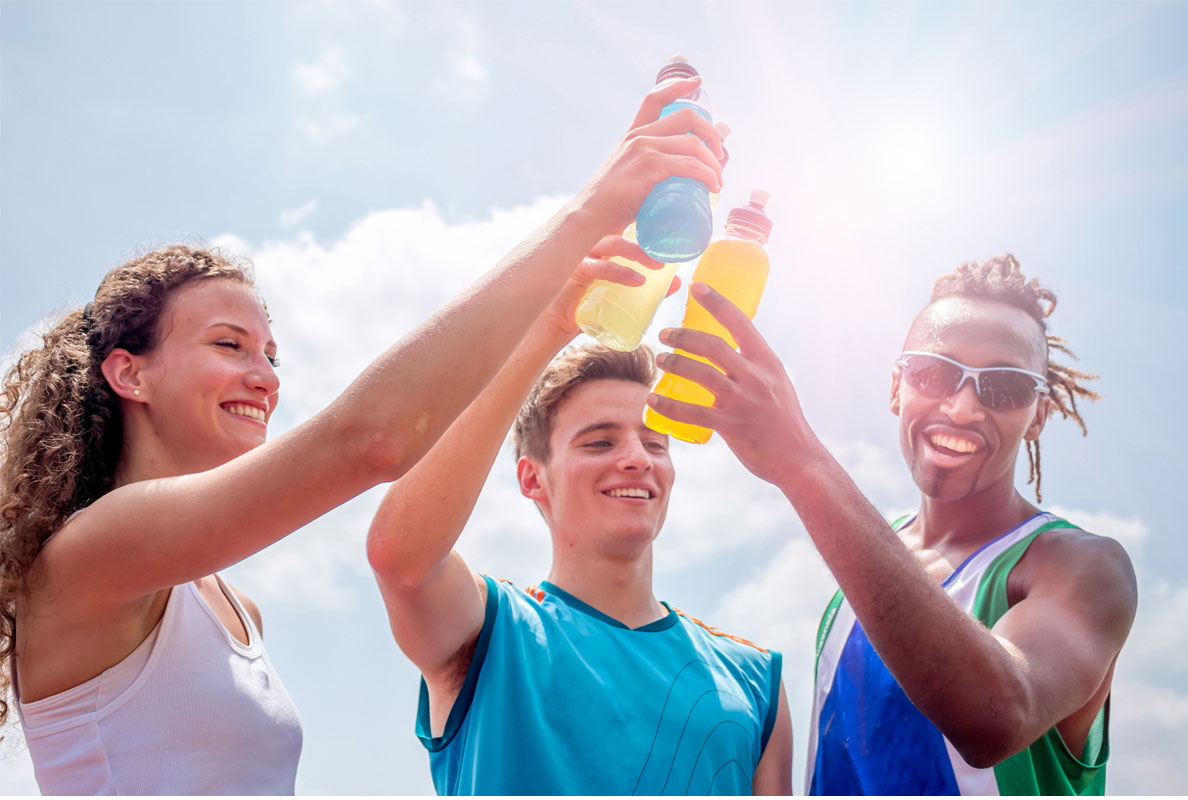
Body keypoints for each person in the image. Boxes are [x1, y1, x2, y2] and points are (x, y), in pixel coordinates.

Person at [0, 75, 725, 795]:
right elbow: (371, 439)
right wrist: (590, 211)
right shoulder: (94, 553)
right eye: (230, 345)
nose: (265, 377)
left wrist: (550, 324)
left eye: (271, 356)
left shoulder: (229, 604)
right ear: (130, 374)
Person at [646, 254, 1137, 795]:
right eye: (935, 372)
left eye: (1003, 387)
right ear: (896, 387)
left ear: (1038, 415)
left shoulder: (1082, 566)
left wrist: (800, 461)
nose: (963, 406)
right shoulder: (864, 570)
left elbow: (997, 717)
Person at [365, 248, 793, 791]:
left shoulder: (756, 680)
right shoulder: (490, 632)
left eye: (654, 443)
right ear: (532, 478)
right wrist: (548, 330)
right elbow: (399, 557)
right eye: (600, 441)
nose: (637, 457)